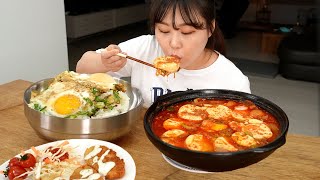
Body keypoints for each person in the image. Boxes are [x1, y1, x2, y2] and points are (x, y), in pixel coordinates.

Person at [76, 0, 251, 107]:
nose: (173, 43)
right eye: (164, 31)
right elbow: (81, 69)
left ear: (210, 28)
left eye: (187, 32)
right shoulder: (145, 48)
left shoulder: (232, 80)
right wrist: (103, 62)